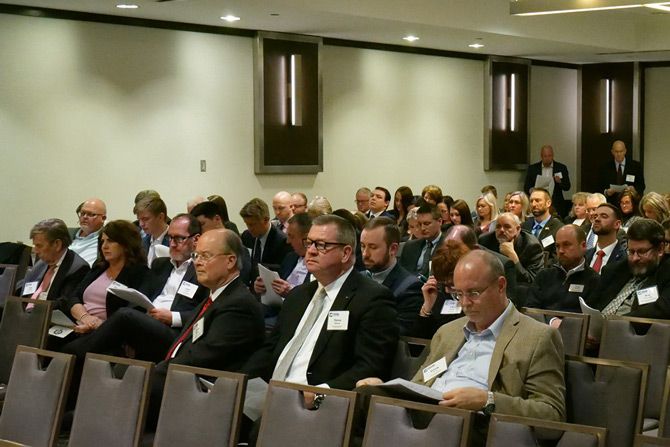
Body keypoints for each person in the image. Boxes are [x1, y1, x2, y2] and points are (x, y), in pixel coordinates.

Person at [356, 250, 565, 445]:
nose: (464, 303)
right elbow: (419, 384)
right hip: (428, 412)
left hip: (477, 424)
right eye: (458, 294)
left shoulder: (537, 337)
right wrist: (386, 388)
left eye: (474, 293)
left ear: (501, 285)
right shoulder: (448, 332)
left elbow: (552, 417)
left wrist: (487, 401)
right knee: (364, 395)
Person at [242, 214, 399, 394]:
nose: (311, 251)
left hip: (319, 399)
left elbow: (370, 366)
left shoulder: (372, 299)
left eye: (322, 245)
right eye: (309, 243)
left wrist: (321, 393)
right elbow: (271, 349)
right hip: (270, 392)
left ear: (346, 253)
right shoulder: (298, 295)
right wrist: (238, 382)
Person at [147, 228, 265, 428]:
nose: (197, 262)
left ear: (230, 261)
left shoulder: (239, 305)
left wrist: (157, 371)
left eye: (206, 256)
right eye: (196, 255)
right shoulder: (215, 297)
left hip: (208, 392)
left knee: (132, 390)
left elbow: (205, 355)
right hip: (184, 379)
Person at [61, 214, 208, 363]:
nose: (173, 244)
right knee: (124, 317)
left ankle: (71, 355)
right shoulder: (161, 265)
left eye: (179, 239)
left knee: (124, 315)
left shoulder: (202, 271)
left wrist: (173, 317)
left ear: (196, 239)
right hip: (146, 321)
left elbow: (207, 313)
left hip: (175, 331)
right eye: (170, 238)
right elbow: (140, 297)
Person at [588, 219, 670, 318]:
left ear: (660, 249)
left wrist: (615, 322)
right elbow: (591, 304)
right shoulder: (614, 270)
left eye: (642, 252)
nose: (635, 258)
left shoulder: (667, 271)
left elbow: (661, 310)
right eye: (631, 252)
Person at [360, 217, 423, 335]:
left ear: (393, 249)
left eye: (373, 247)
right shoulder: (357, 279)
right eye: (363, 246)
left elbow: (398, 333)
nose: (365, 254)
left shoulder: (410, 287)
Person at [526, 225, 600, 313]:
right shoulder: (544, 276)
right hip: (542, 322)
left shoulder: (594, 280)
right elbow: (530, 310)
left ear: (583, 246)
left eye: (566, 245)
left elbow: (590, 317)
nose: (561, 251)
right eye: (557, 246)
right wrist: (552, 320)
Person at [17, 218, 89, 303]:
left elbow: (63, 303)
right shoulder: (41, 263)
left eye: (39, 246)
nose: (35, 251)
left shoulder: (78, 269)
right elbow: (24, 289)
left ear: (57, 244)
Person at [479, 212, 544, 285]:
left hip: (519, 288)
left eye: (507, 227)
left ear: (518, 229)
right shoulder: (485, 241)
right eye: (498, 226)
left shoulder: (531, 245)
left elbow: (532, 280)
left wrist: (513, 257)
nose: (501, 230)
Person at [239, 198, 292, 271]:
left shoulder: (282, 241)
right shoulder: (246, 236)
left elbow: (282, 270)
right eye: (247, 224)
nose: (249, 228)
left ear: (266, 220)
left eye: (252, 224)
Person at [523, 145, 571, 217]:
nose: (547, 158)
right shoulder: (533, 168)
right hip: (538, 202)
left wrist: (560, 182)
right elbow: (526, 187)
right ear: (541, 156)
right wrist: (531, 190)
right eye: (545, 156)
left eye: (549, 156)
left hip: (556, 203)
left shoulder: (561, 168)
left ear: (553, 155)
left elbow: (567, 187)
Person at [398, 204, 444, 277]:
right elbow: (401, 273)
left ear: (440, 221)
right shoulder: (410, 246)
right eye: (419, 224)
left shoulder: (449, 246)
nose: (422, 228)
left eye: (427, 224)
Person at [522, 188, 564, 266]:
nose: (533, 204)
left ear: (548, 203)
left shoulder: (559, 228)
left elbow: (557, 258)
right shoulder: (524, 226)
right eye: (531, 201)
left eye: (537, 200)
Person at [584, 204, 627, 273]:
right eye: (595, 217)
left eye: (604, 216)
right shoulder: (584, 256)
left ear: (617, 224)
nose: (597, 219)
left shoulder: (624, 259)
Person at [69, 198, 107, 266]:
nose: (85, 217)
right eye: (82, 213)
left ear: (103, 218)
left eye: (91, 214)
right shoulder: (68, 233)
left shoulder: (106, 240)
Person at [136, 196, 170, 266]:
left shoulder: (174, 242)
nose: (141, 224)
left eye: (145, 219)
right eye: (139, 220)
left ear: (160, 217)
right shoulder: (142, 243)